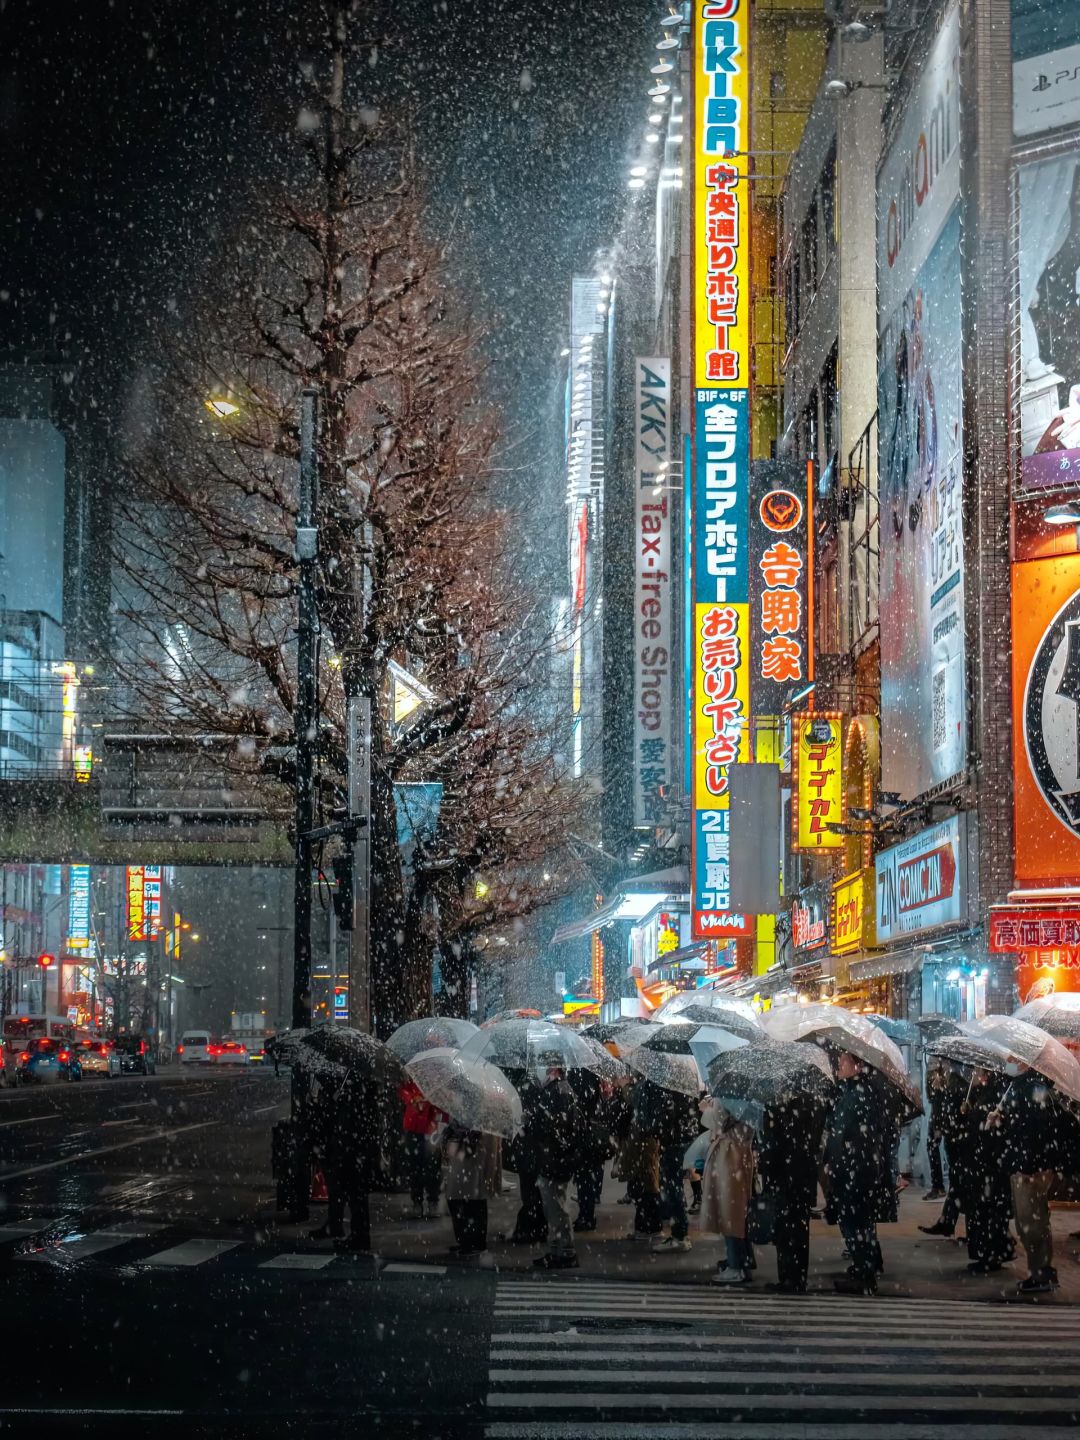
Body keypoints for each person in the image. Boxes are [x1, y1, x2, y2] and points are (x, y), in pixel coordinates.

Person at [987, 1062, 1063, 1294]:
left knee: (1031, 1223)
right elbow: (1021, 1128)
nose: (1008, 1060)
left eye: (1012, 1056)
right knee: (1028, 1221)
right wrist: (1000, 1119)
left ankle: (1042, 1274)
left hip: (1029, 1168)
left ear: (1023, 1060)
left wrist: (1028, 1166)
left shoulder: (1032, 1087)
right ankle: (1039, 1271)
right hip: (1025, 1164)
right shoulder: (1021, 1086)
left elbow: (1033, 1131)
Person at [824, 1050, 885, 1295]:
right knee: (857, 1223)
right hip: (854, 1169)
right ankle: (864, 1268)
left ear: (857, 1066)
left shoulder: (860, 1094)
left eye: (844, 1061)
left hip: (855, 1171)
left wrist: (838, 1160)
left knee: (856, 1223)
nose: (839, 1065)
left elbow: (853, 1135)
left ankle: (865, 1274)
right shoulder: (851, 1091)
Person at [757, 1093, 827, 1294]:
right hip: (803, 1175)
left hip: (784, 1177)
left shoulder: (776, 1103)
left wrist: (767, 1171)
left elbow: (772, 1145)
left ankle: (788, 1278)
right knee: (799, 1229)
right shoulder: (815, 1101)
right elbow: (814, 1139)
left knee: (786, 1229)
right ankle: (797, 1278)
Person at [310, 1067, 380, 1252]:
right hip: (354, 1150)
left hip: (351, 1150)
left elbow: (349, 1122)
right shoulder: (360, 1093)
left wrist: (337, 1099)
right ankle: (355, 1235)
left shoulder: (356, 1094)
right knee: (354, 1195)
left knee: (354, 1196)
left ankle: (358, 1237)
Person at [957, 1066, 1013, 1275]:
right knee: (986, 1210)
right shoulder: (984, 1093)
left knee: (988, 1211)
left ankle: (991, 1255)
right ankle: (991, 1251)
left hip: (989, 1164)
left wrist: (990, 1124)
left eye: (977, 1070)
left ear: (987, 1074)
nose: (973, 1073)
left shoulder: (997, 1096)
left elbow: (996, 1132)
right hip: (981, 1162)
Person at [698, 1098, 755, 1285]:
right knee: (737, 1212)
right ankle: (742, 1260)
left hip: (730, 1156)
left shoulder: (731, 1094)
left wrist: (708, 1108)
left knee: (731, 1211)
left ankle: (736, 1265)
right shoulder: (748, 1095)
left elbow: (717, 1121)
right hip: (739, 1155)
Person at [639, 1081, 700, 1254]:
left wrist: (658, 1134)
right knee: (674, 1187)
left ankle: (679, 1235)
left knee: (673, 1188)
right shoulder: (683, 1082)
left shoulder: (666, 1085)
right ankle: (680, 1233)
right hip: (683, 1136)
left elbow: (666, 1115)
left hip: (674, 1141)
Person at [532, 1056, 581, 1269]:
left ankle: (565, 1251)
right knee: (553, 1204)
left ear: (553, 1068)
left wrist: (535, 1122)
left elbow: (557, 1127)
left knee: (556, 1206)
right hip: (555, 1157)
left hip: (555, 1158)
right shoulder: (559, 1090)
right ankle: (557, 1249)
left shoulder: (559, 1091)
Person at [919, 1062, 967, 1237]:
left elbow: (957, 1109)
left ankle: (1000, 1236)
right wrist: (936, 1088)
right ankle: (946, 1222)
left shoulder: (959, 1083)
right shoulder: (939, 1079)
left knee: (961, 1183)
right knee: (957, 1184)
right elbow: (934, 1099)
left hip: (957, 1136)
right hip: (949, 1132)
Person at [442, 1123, 502, 1257]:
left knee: (472, 1197)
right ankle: (466, 1240)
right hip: (463, 1146)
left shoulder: (486, 1115)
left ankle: (474, 1242)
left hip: (474, 1148)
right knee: (458, 1196)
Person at [504, 1069, 548, 1245]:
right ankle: (535, 1229)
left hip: (529, 1147)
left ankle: (531, 1230)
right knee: (534, 1191)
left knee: (530, 1192)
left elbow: (527, 1116)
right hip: (533, 1148)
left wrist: (522, 1117)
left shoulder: (527, 1085)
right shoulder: (536, 1083)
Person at [613, 1080, 662, 1240]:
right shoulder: (650, 1084)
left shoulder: (647, 1085)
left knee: (645, 1184)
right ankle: (646, 1227)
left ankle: (648, 1228)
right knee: (645, 1183)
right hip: (644, 1140)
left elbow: (634, 1098)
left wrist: (625, 1086)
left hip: (642, 1140)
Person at [570, 1069, 612, 1233]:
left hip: (586, 1134)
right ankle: (587, 1214)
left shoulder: (581, 1074)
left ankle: (586, 1216)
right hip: (591, 1133)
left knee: (584, 1177)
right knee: (588, 1174)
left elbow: (582, 1101)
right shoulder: (592, 1073)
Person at [396, 1076, 444, 1219]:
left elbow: (441, 1099)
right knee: (414, 1166)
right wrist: (412, 1099)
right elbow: (402, 1089)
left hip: (430, 1127)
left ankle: (432, 1201)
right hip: (414, 1125)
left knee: (432, 1167)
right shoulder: (412, 1074)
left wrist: (429, 1103)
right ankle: (418, 1201)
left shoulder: (434, 1076)